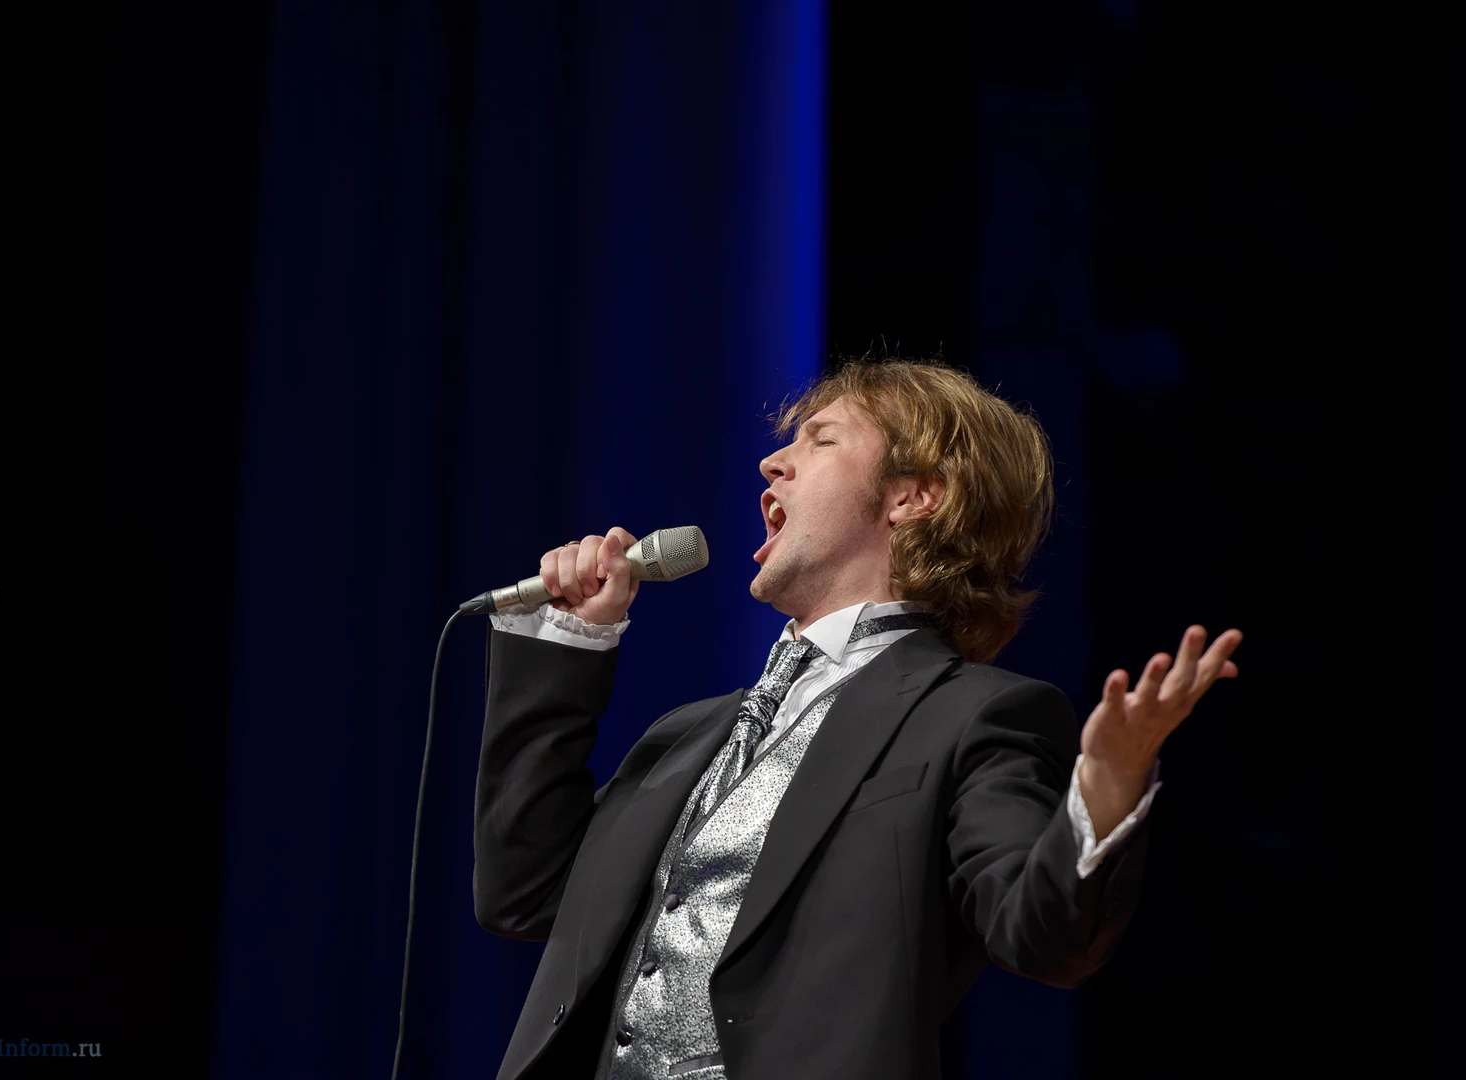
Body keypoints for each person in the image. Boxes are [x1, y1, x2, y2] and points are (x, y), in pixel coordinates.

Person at [473, 360, 1242, 1080]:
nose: (771, 464)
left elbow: (1044, 938)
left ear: (912, 497)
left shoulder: (973, 716)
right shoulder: (686, 735)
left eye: (820, 440)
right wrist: (571, 642)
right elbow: (525, 895)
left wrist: (1105, 786)